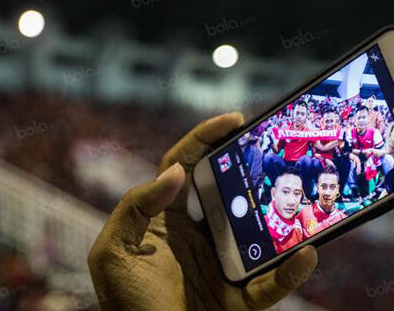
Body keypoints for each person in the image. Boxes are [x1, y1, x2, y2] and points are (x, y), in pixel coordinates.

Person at [88, 112, 318, 310]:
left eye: (297, 193)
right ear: (274, 192)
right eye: (286, 191)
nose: (291, 199)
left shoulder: (259, 159)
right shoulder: (259, 162)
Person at [263, 100, 320, 200]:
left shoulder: (309, 132)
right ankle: (278, 188)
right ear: (292, 113)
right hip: (285, 165)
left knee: (307, 160)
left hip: (299, 166)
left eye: (302, 114)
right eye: (297, 113)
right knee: (268, 158)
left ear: (306, 116)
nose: (299, 116)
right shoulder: (286, 130)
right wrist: (271, 140)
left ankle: (302, 192)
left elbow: (319, 148)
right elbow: (277, 150)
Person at [347, 105, 389, 197]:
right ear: (355, 120)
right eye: (359, 118)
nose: (361, 120)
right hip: (356, 159)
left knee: (388, 159)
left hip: (371, 159)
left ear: (368, 119)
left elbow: (382, 151)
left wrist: (371, 153)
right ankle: (353, 187)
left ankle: (384, 186)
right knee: (346, 160)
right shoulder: (350, 132)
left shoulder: (375, 132)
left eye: (363, 117)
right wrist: (363, 152)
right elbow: (347, 151)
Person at [298, 166, 347, 239]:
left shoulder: (343, 220)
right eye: (323, 186)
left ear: (337, 189)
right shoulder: (304, 214)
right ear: (318, 188)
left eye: (332, 187)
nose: (327, 192)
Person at [264, 167, 304, 254]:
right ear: (273, 194)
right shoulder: (260, 227)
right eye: (285, 192)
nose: (291, 201)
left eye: (297, 194)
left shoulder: (297, 229)